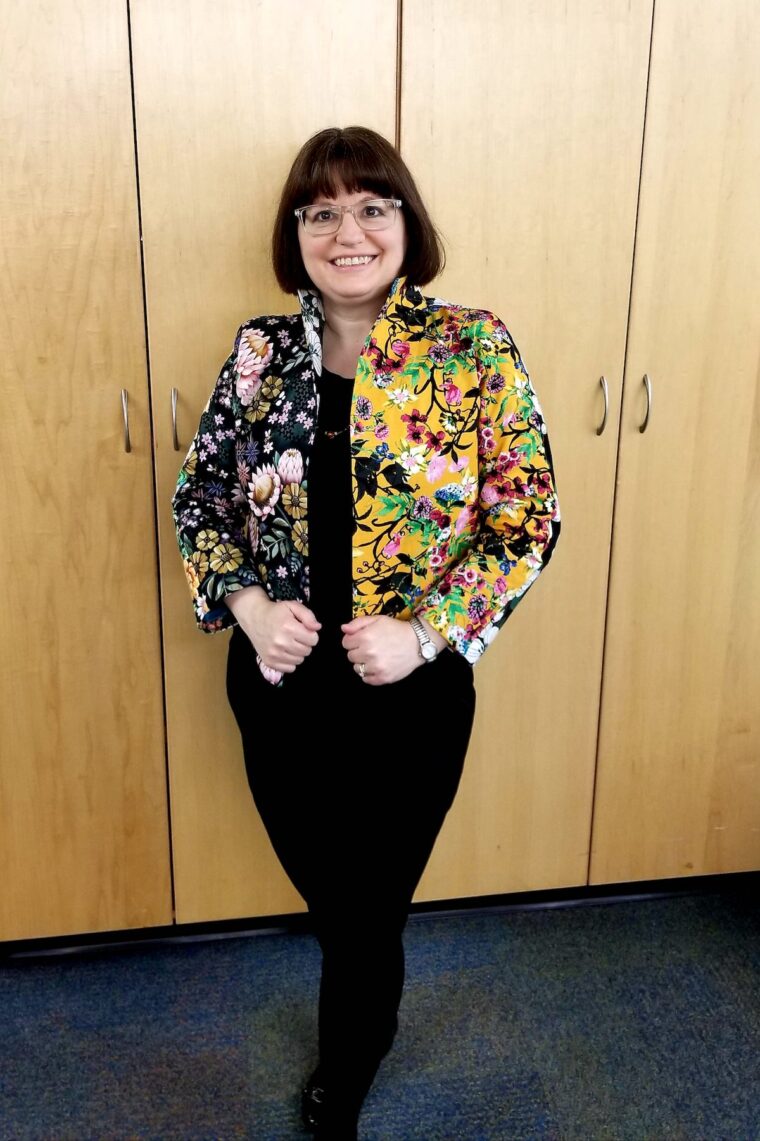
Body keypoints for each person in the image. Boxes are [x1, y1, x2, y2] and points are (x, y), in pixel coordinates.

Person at [172, 125, 561, 1140]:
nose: (348, 231)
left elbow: (527, 517)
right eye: (322, 211)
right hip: (279, 678)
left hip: (410, 690)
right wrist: (250, 608)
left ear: (405, 223)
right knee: (339, 899)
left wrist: (427, 634)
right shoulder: (259, 353)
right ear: (295, 231)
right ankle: (367, 1002)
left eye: (371, 206)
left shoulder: (470, 345)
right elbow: (201, 501)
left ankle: (345, 1066)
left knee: (371, 902)